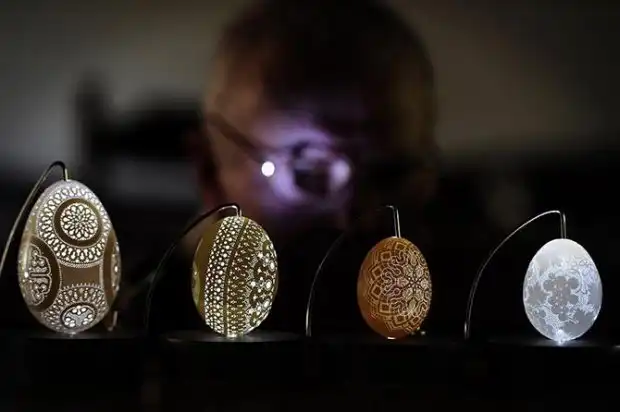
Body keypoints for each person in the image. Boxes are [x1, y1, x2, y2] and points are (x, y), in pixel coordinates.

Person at [148, 0, 443, 336]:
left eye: (391, 173)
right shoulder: (142, 328)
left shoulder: (476, 305)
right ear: (209, 168)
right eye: (309, 173)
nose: (351, 217)